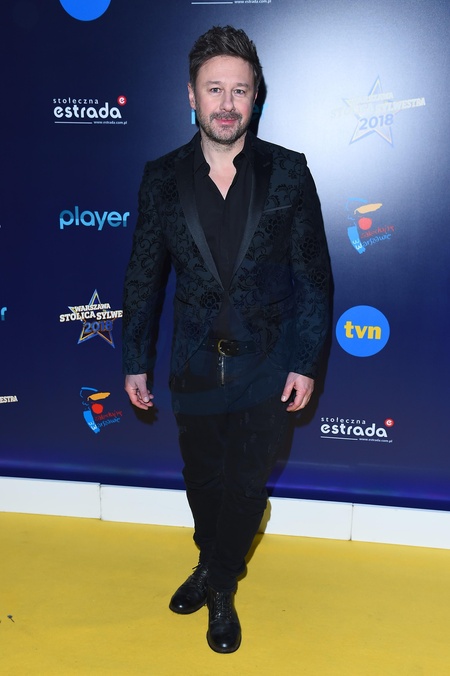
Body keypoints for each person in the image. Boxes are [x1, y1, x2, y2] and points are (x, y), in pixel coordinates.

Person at [122, 25, 330, 654]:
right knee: (202, 481)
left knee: (245, 487)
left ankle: (220, 587)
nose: (227, 104)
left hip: (268, 363)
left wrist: (305, 361)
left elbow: (313, 276)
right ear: (191, 94)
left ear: (255, 96)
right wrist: (134, 358)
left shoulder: (289, 171)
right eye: (215, 89)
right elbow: (143, 275)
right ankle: (210, 559)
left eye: (240, 90)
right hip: (193, 362)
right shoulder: (161, 177)